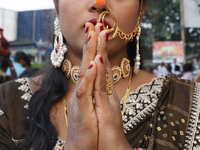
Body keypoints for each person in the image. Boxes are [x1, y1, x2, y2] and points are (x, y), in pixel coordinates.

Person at [0, 0, 200, 150]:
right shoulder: (8, 104)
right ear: (56, 3)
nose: (99, 3)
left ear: (141, 9)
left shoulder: (191, 102)